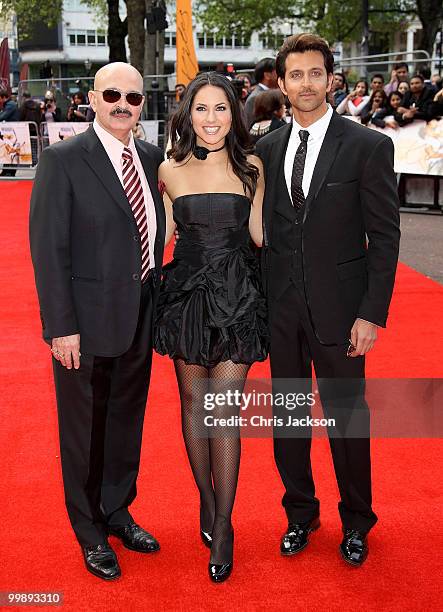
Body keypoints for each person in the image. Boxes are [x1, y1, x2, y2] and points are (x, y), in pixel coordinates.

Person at [256, 33, 400, 567]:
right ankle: (301, 514)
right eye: (296, 75)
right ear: (283, 82)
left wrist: (371, 312)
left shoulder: (367, 146)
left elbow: (384, 237)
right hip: (281, 311)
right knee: (289, 421)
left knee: (346, 420)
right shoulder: (265, 149)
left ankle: (357, 520)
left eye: (316, 73)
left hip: (342, 313)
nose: (306, 84)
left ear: (331, 79)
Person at [29, 62, 166, 581]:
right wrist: (59, 326)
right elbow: (48, 250)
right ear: (92, 97)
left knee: (126, 423)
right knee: (84, 431)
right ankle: (89, 532)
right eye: (112, 95)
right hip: (83, 325)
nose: (122, 106)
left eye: (133, 98)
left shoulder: (151, 158)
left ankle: (118, 511)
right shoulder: (63, 160)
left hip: (139, 316)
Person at [154, 72, 268, 583]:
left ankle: (224, 525)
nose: (211, 119)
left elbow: (262, 235)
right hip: (188, 300)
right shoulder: (169, 170)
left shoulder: (253, 168)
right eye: (201, 109)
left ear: (234, 113)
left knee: (223, 411)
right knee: (194, 407)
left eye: (220, 108)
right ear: (187, 114)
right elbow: (159, 242)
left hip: (238, 296)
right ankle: (206, 499)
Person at [243, 57, 278, 128]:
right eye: (277, 72)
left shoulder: (273, 94)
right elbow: (250, 127)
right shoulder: (255, 97)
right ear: (267, 75)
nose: (280, 75)